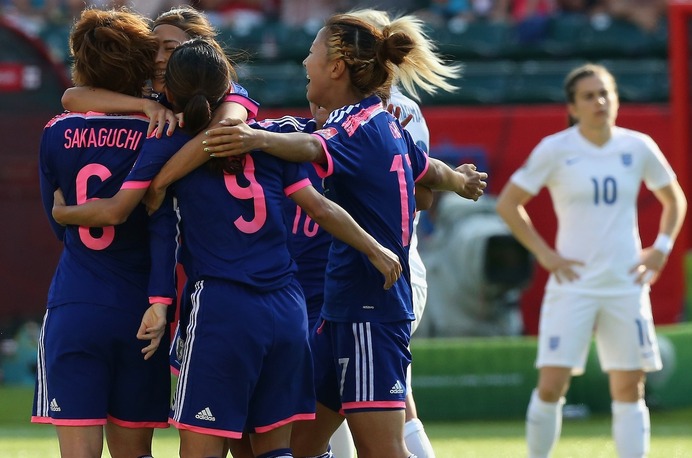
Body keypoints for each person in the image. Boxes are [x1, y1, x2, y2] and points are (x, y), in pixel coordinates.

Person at [200, 11, 487, 458]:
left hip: (370, 309)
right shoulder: (385, 122)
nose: (305, 63)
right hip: (341, 309)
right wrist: (460, 180)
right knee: (302, 445)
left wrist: (253, 139)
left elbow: (314, 146)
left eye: (313, 52)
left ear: (337, 66)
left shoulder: (357, 123)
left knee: (383, 450)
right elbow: (427, 167)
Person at [127, 38, 403, 458]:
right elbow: (321, 209)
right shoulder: (272, 139)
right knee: (274, 450)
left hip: (221, 305)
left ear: (171, 92)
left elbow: (147, 219)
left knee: (202, 448)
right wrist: (374, 248)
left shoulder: (169, 144)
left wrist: (159, 298)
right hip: (285, 310)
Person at [495, 63, 687, 458]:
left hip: (625, 284)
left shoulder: (638, 146)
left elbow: (675, 199)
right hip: (573, 285)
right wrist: (545, 255)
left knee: (629, 387)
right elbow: (509, 203)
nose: (600, 102)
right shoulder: (555, 149)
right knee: (551, 385)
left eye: (606, 93)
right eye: (589, 95)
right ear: (572, 106)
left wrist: (661, 249)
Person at [33, 8, 171, 458]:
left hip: (76, 302)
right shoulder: (161, 131)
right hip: (140, 307)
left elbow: (58, 221)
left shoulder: (55, 133)